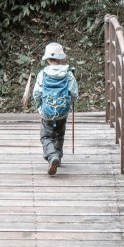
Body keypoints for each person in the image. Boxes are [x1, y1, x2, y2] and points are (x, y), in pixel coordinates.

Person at [32, 42, 78, 175]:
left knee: (46, 136)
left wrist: (40, 106)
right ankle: (58, 155)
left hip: (47, 111)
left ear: (47, 59)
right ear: (61, 58)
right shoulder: (68, 74)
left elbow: (36, 93)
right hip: (63, 111)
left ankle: (52, 156)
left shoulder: (42, 74)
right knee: (59, 133)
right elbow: (74, 93)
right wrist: (70, 103)